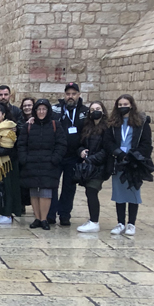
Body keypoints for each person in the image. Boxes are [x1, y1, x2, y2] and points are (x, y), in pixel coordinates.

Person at [107, 94, 153, 236]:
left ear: (131, 105)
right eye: (120, 105)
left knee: (133, 191)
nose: (123, 107)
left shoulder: (142, 123)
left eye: (125, 104)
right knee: (119, 192)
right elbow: (108, 141)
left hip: (134, 162)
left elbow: (146, 142)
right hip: (119, 161)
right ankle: (120, 222)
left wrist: (135, 156)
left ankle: (131, 223)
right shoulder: (113, 123)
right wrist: (119, 153)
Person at [18, 98, 66, 230]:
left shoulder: (55, 125)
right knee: (34, 191)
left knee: (45, 191)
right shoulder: (29, 126)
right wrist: (24, 159)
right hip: (31, 163)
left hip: (48, 164)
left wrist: (55, 159)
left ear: (48, 110)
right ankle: (37, 218)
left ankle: (44, 218)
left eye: (44, 109)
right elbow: (21, 144)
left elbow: (61, 144)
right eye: (39, 109)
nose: (41, 112)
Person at [48, 82, 88, 226]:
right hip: (57, 155)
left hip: (74, 156)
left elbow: (88, 132)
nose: (70, 96)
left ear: (79, 95)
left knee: (69, 187)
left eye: (73, 94)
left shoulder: (85, 112)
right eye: (68, 94)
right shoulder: (55, 109)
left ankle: (65, 214)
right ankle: (50, 214)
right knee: (52, 185)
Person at [75, 101, 113, 233]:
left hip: (100, 166)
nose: (95, 111)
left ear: (103, 111)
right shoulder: (87, 127)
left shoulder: (107, 128)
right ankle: (92, 219)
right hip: (89, 166)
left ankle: (94, 222)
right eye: (92, 109)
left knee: (92, 190)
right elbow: (80, 144)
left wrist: (90, 159)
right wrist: (81, 151)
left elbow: (106, 150)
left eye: (97, 108)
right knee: (89, 191)